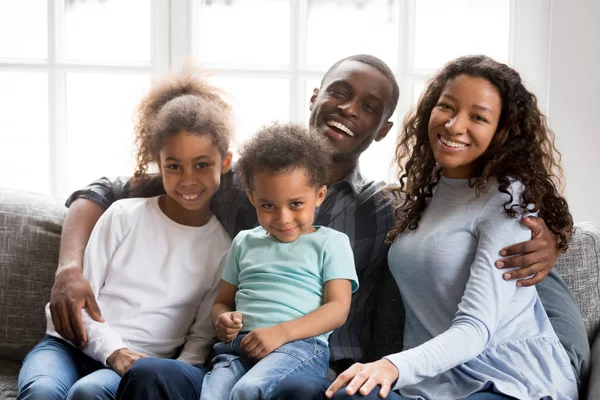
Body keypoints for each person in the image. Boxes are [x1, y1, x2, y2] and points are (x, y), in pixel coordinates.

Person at [48, 55, 584, 400]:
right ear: (315, 96)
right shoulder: (237, 178)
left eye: (369, 106)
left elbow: (505, 278)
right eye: (339, 92)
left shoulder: (388, 210)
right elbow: (108, 190)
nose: (348, 109)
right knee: (153, 377)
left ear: (384, 129)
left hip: (323, 365)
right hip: (232, 354)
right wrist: (71, 267)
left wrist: (553, 240)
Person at [327, 55, 579, 399]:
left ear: (501, 131)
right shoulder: (425, 193)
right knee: (347, 394)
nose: (455, 125)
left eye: (478, 116)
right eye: (447, 107)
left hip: (506, 376)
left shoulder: (508, 199)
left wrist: (391, 365)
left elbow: (476, 328)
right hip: (436, 376)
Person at [17, 68, 234, 399]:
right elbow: (78, 303)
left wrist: (174, 374)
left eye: (202, 165)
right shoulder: (122, 215)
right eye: (174, 166)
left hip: (138, 362)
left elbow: (200, 337)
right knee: (42, 390)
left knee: (90, 393)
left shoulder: (223, 247)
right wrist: (113, 351)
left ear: (226, 162)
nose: (188, 179)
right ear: (158, 165)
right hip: (69, 345)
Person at [200, 123, 358, 399]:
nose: (283, 218)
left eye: (296, 204)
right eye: (268, 206)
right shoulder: (244, 242)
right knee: (212, 395)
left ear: (319, 195)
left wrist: (281, 333)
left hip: (298, 347)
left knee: (250, 390)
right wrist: (222, 318)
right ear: (252, 199)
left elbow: (337, 309)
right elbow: (222, 302)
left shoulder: (332, 242)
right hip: (239, 347)